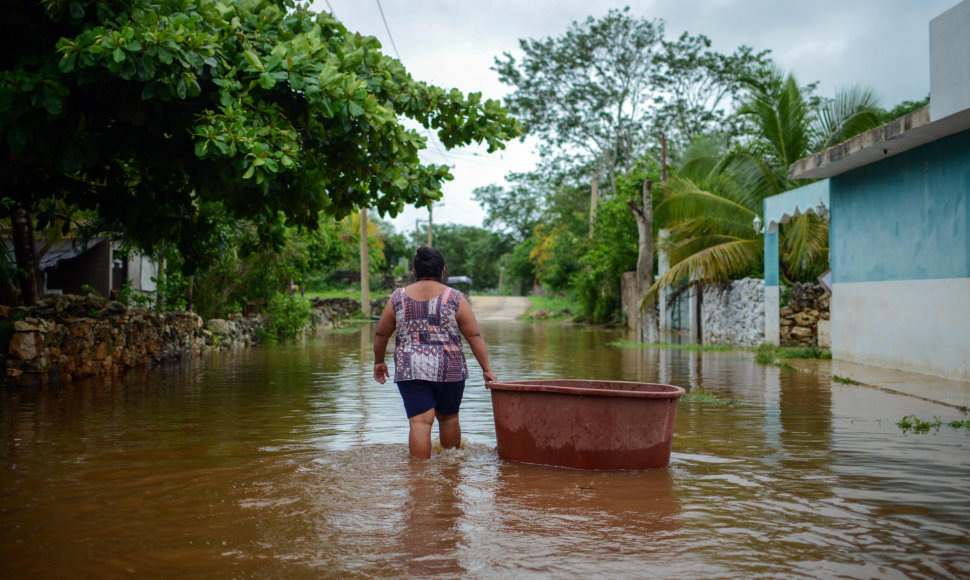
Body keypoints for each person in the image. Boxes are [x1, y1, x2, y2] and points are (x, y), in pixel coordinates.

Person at [373, 246, 497, 459]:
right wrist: (486, 369)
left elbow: (381, 334)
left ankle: (419, 478)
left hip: (411, 368)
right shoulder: (456, 298)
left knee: (420, 422)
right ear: (443, 270)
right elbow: (474, 335)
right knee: (449, 419)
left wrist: (379, 361)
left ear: (414, 271)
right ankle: (451, 470)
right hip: (449, 368)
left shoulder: (397, 298)